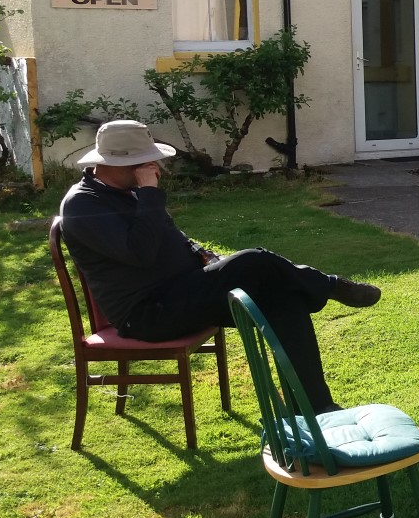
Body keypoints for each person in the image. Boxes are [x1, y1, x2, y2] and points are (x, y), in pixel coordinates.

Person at [58, 120, 382, 413]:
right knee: (253, 259)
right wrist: (149, 195)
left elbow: (169, 241)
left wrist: (208, 261)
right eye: (145, 160)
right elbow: (141, 253)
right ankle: (328, 285)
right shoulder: (83, 204)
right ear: (118, 163)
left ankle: (314, 407)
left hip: (185, 292)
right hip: (149, 314)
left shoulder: (127, 193)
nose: (154, 166)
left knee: (284, 298)